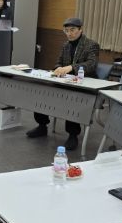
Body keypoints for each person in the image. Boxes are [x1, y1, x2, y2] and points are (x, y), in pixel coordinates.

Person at [26, 17, 99, 151]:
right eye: (66, 31)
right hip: (65, 81)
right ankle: (42, 126)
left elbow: (91, 64)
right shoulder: (66, 45)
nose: (69, 33)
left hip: (84, 83)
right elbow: (58, 62)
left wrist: (71, 67)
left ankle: (73, 135)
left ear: (80, 30)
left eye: (72, 30)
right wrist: (58, 68)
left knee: (72, 99)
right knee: (42, 91)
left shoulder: (91, 45)